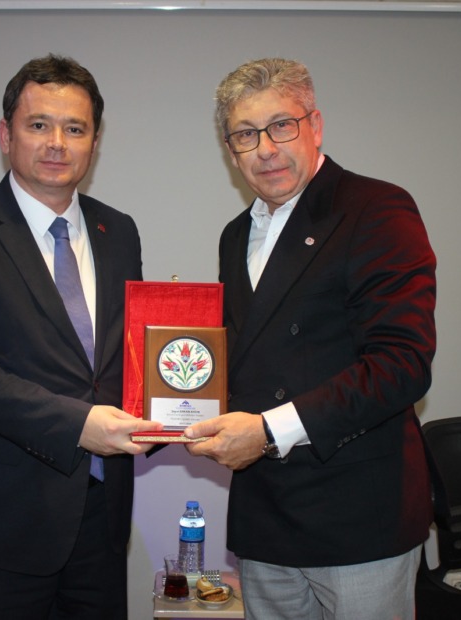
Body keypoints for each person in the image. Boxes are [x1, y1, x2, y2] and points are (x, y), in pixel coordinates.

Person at [184, 58, 437, 620]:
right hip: (265, 514)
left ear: (315, 126)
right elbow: (244, 359)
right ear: (231, 150)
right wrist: (169, 409)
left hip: (357, 517)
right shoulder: (235, 236)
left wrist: (267, 432)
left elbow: (402, 364)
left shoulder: (375, 209)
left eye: (282, 125)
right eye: (246, 134)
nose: (266, 149)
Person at [0, 53, 161, 619]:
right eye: (39, 124)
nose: (57, 143)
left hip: (100, 518)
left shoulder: (118, 231)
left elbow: (127, 358)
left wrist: (173, 411)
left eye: (75, 128)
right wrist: (79, 424)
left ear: (95, 142)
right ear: (6, 135)